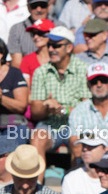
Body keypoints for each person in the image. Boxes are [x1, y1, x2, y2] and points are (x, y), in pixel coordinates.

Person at [30, 26, 90, 154]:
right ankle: (38, 169)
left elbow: (88, 109)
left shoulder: (84, 69)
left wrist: (63, 110)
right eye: (49, 45)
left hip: (76, 124)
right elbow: (35, 112)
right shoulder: (41, 72)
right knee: (37, 139)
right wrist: (46, 107)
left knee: (78, 141)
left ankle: (76, 168)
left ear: (69, 48)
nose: (51, 49)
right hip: (49, 124)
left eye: (56, 46)